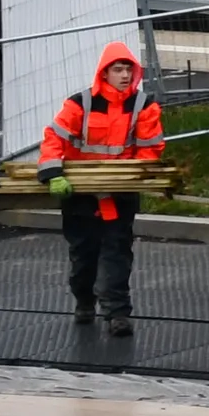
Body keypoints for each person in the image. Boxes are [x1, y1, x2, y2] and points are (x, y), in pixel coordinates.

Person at [38, 39, 160, 336]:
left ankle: (117, 313)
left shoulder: (143, 106)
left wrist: (132, 177)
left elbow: (150, 150)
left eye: (128, 69)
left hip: (119, 194)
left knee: (117, 251)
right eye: (118, 70)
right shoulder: (79, 104)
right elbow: (54, 138)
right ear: (104, 73)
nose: (125, 75)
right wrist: (53, 173)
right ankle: (84, 300)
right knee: (84, 254)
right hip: (80, 194)